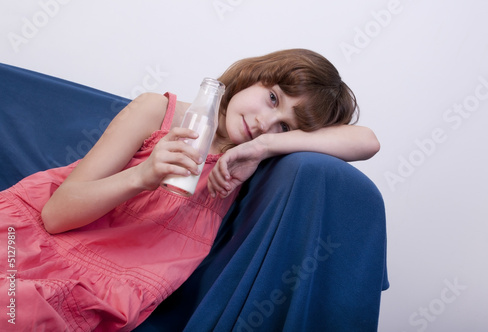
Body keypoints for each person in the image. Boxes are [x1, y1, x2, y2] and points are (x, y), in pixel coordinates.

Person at [0, 49, 379, 331]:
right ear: (254, 76)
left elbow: (367, 141)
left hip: (108, 285)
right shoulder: (158, 114)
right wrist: (143, 175)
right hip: (35, 243)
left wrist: (262, 148)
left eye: (285, 127)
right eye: (273, 98)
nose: (265, 122)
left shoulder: (243, 161)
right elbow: (55, 215)